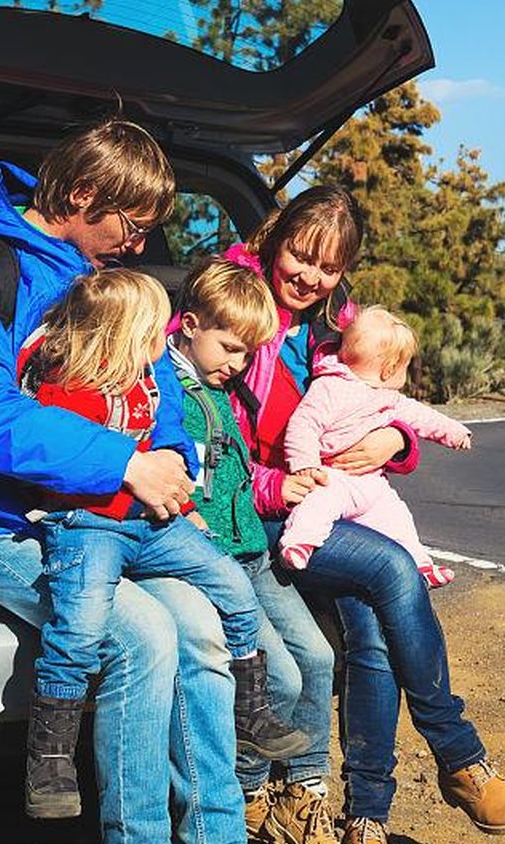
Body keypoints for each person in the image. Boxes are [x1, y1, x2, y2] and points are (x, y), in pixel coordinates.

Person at [0, 119, 246, 844]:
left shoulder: (106, 283)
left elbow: (160, 398)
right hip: (6, 528)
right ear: (85, 194)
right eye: (133, 225)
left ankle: (219, 833)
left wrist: (172, 469)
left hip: (117, 520)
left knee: (201, 625)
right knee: (145, 638)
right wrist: (123, 464)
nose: (140, 246)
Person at [220, 185, 505, 844]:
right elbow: (208, 439)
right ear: (276, 239)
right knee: (393, 570)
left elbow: (381, 403)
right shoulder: (234, 312)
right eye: (301, 256)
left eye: (328, 267)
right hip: (261, 512)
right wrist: (278, 483)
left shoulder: (341, 327)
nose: (309, 277)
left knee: (371, 629)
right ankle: (460, 755)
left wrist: (396, 440)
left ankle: (366, 817)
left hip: (331, 502)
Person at [15, 269, 308, 819]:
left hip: (152, 522)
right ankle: (50, 759)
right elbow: (57, 457)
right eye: (154, 329)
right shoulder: (62, 388)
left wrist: (182, 500)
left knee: (234, 587)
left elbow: (170, 449)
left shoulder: (148, 381)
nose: (163, 337)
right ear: (118, 334)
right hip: (87, 527)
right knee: (78, 629)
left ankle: (250, 710)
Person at [168, 257, 338, 844]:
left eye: (247, 355)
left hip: (253, 553)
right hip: (220, 562)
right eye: (230, 350)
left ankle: (303, 790)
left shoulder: (220, 391)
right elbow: (181, 483)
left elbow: (237, 477)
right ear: (190, 325)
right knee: (279, 680)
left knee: (318, 660)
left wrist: (279, 487)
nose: (238, 365)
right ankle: (249, 791)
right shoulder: (173, 394)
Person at [278, 305, 472, 588]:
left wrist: (454, 432)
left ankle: (420, 564)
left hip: (372, 484)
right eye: (404, 367)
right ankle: (298, 542)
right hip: (333, 476)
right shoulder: (331, 387)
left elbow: (423, 417)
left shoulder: (388, 397)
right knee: (317, 504)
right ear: (390, 369)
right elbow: (304, 424)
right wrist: (305, 464)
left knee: (397, 518)